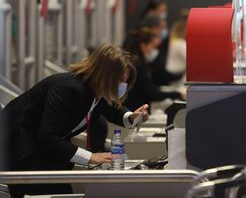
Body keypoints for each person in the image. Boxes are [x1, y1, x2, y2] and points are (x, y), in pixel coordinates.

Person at [2, 44, 149, 198]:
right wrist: (90, 157)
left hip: (41, 149)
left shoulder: (95, 90)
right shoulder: (68, 89)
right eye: (120, 80)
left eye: (125, 80)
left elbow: (112, 110)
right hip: (19, 147)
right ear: (104, 75)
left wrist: (132, 117)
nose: (123, 85)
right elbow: (48, 137)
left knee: (62, 189)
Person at [123, 28, 184, 111]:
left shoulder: (135, 62)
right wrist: (178, 94)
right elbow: (152, 93)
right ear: (143, 45)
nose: (154, 50)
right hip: (135, 110)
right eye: (153, 46)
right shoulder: (138, 65)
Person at [166, 13, 188, 79]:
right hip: (175, 77)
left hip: (174, 75)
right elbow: (193, 60)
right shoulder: (180, 44)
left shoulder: (175, 42)